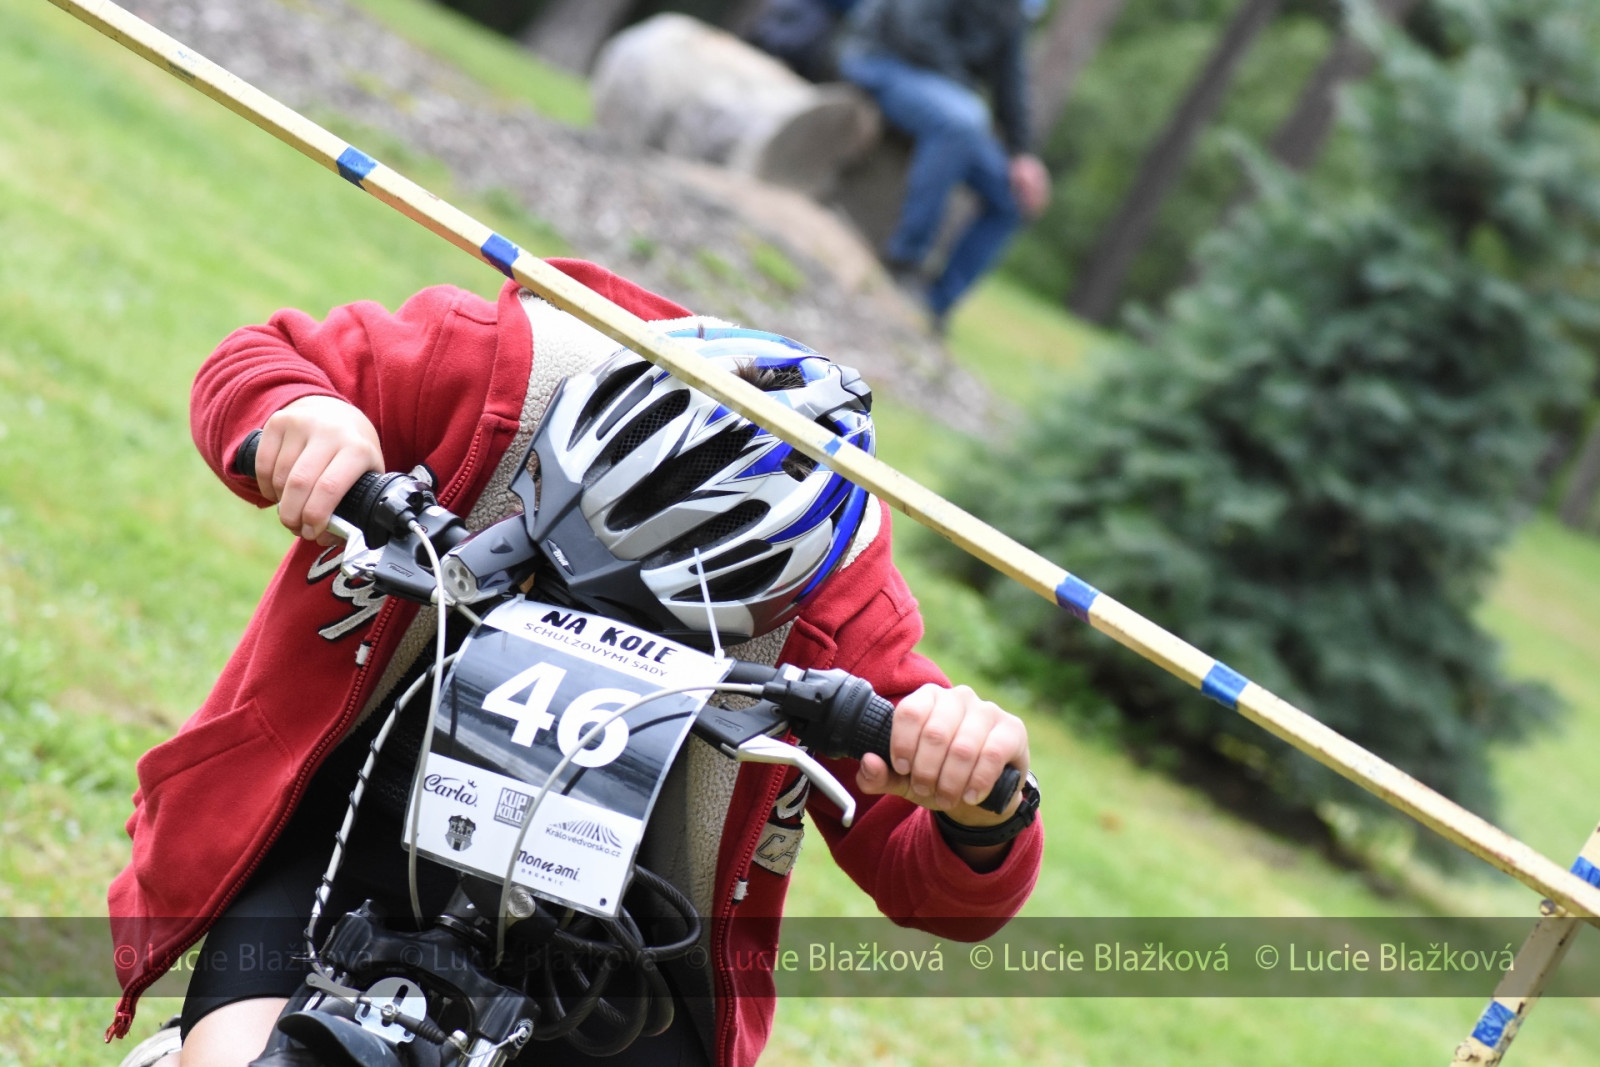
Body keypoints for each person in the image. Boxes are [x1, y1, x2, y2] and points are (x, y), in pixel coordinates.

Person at [107, 259, 1042, 1067]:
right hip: (354, 830)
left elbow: (939, 886)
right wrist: (301, 414)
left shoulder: (842, 608)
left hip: (627, 945)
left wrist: (980, 809)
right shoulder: (492, 369)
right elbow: (255, 360)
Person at [836, 0, 1052, 331]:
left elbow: (1011, 82)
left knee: (1012, 196)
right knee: (963, 120)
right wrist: (963, 94)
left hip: (950, 100)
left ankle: (935, 305)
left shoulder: (1011, 11)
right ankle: (904, 259)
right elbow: (914, 33)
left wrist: (1023, 153)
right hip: (883, 61)